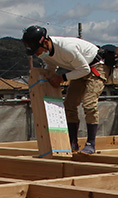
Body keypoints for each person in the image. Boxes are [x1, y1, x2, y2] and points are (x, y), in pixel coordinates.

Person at [21, 25, 112, 154]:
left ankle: (90, 144)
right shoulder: (44, 53)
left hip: (96, 67)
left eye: (37, 51)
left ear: (45, 42)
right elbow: (52, 66)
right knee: (69, 104)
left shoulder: (66, 48)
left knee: (89, 104)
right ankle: (73, 143)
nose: (37, 54)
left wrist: (61, 78)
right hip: (79, 69)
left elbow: (85, 69)